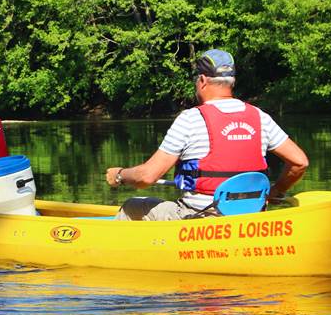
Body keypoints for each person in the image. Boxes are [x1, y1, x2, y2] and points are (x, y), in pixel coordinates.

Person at [105, 49, 308, 220]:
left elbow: (147, 177)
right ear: (232, 82)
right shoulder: (259, 116)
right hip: (251, 218)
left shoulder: (190, 119)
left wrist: (120, 175)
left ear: (202, 80)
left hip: (201, 218)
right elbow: (299, 163)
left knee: (131, 206)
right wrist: (276, 191)